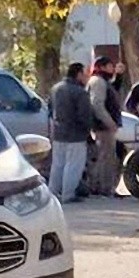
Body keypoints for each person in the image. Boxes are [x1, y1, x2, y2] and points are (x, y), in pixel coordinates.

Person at [48, 62, 93, 203]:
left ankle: (52, 193)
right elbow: (84, 115)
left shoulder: (56, 89)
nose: (86, 77)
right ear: (79, 74)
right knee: (73, 165)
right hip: (76, 134)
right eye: (84, 74)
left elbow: (50, 109)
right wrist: (88, 130)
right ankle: (68, 194)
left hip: (58, 132)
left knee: (57, 164)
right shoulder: (80, 92)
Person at [87, 56, 122, 197]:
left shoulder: (102, 82)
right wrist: (110, 122)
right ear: (101, 67)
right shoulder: (98, 82)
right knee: (105, 157)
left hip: (102, 126)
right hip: (102, 128)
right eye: (110, 66)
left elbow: (113, 88)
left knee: (107, 156)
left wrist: (119, 76)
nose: (112, 69)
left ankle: (103, 187)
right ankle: (103, 188)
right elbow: (97, 105)